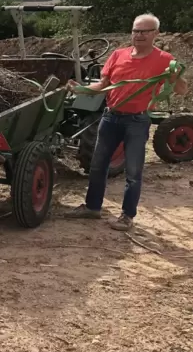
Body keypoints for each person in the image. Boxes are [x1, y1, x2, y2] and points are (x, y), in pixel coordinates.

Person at [66, 13, 188, 231]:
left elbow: (182, 90)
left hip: (137, 120)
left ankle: (127, 216)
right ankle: (93, 208)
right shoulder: (118, 55)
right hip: (110, 117)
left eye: (144, 31)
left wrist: (174, 76)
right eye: (135, 30)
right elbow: (103, 85)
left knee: (133, 171)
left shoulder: (165, 59)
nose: (138, 35)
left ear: (155, 34)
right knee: (97, 166)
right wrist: (81, 89)